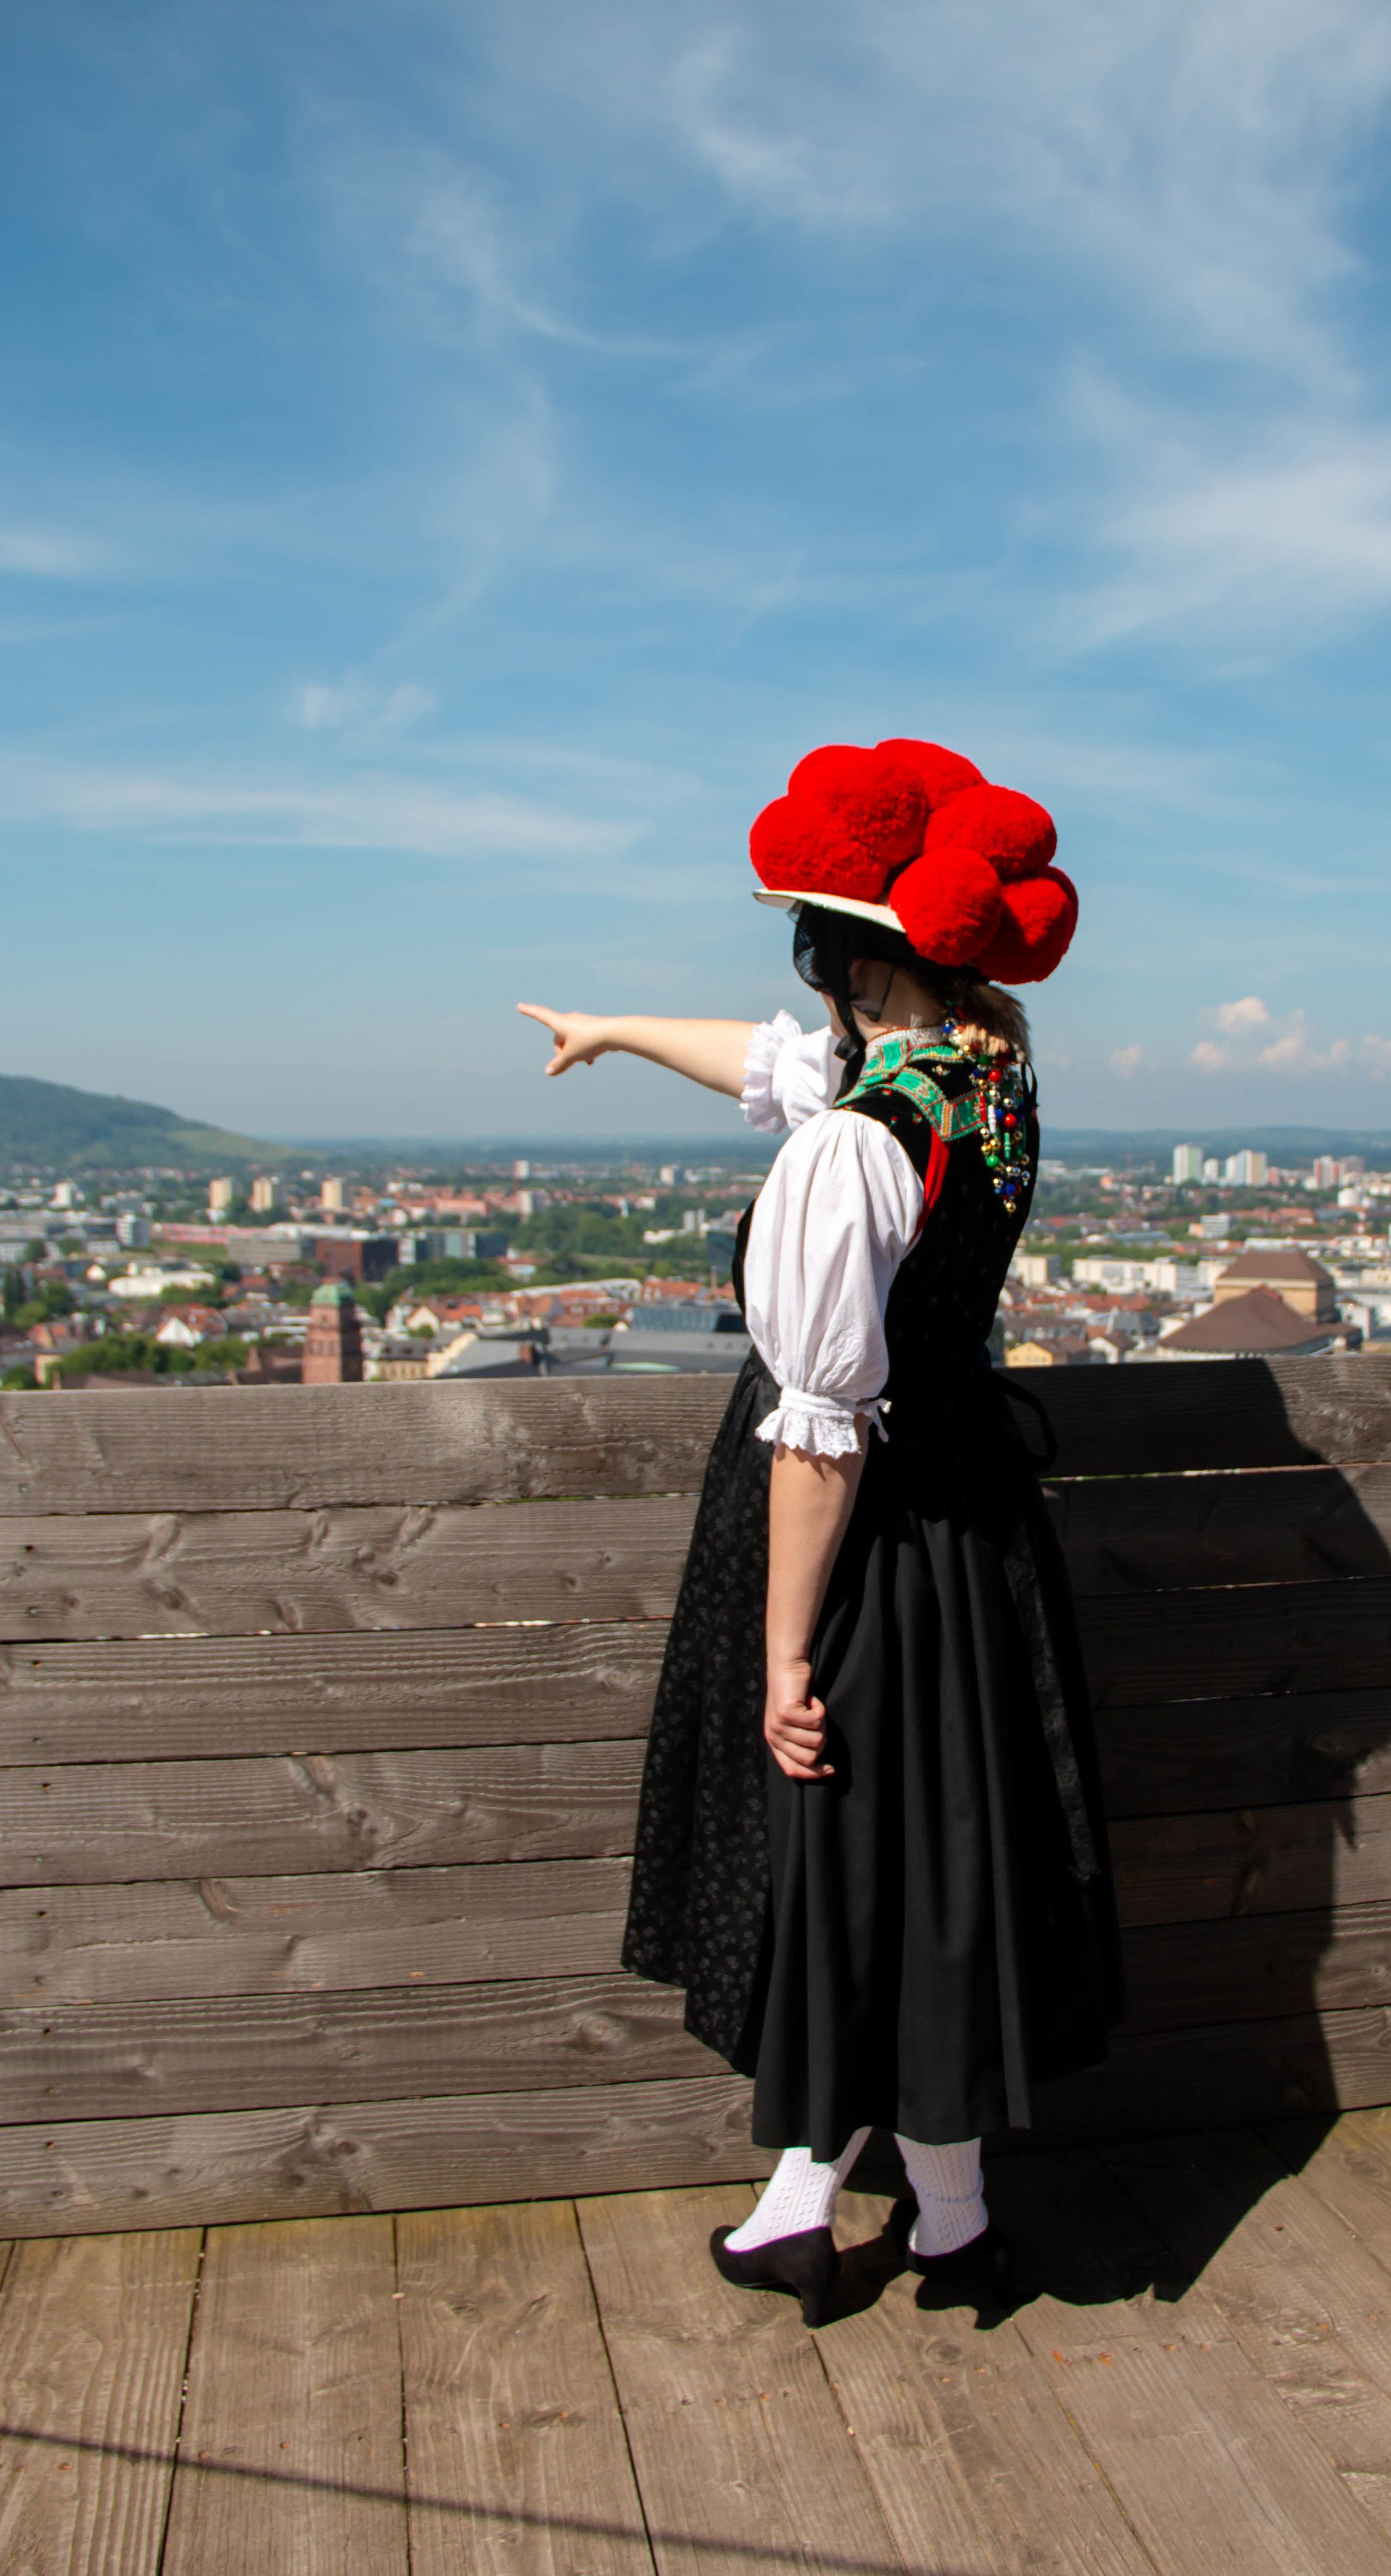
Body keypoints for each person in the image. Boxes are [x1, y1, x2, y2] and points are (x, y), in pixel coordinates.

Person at [518, 735, 1123, 2326]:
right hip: (969, 1534)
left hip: (858, 1542)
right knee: (928, 1854)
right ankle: (945, 2219)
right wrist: (614, 1029)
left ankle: (827, 2205)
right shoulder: (984, 1080)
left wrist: (784, 1650)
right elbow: (774, 1065)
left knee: (835, 1842)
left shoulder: (852, 1145)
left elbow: (817, 1440)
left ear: (847, 964)